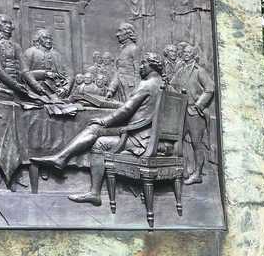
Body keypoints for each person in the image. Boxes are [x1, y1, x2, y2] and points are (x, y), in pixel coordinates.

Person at [30, 53, 168, 205]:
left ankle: (89, 187)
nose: (141, 67)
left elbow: (126, 110)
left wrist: (105, 121)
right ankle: (62, 159)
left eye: (144, 64)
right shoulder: (165, 85)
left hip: (140, 138)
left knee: (98, 134)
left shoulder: (146, 84)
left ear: (153, 65)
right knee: (96, 129)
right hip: (149, 135)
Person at [172, 42, 215, 184]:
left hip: (195, 112)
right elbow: (172, 85)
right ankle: (183, 169)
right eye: (184, 52)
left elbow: (210, 88)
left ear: (194, 55)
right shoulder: (180, 70)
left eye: (188, 52)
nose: (185, 53)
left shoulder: (199, 71)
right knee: (179, 142)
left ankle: (197, 174)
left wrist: (199, 105)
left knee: (197, 144)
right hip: (181, 111)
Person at [21, 28, 68, 100]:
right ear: (38, 39)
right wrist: (44, 74)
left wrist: (65, 88)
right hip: (36, 89)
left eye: (50, 38)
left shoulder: (57, 55)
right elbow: (24, 74)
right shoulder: (30, 52)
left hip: (57, 89)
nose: (48, 41)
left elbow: (67, 75)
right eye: (45, 38)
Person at [113, 22, 141, 101]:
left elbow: (138, 72)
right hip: (120, 87)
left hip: (131, 88)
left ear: (128, 34)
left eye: (120, 31)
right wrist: (111, 90)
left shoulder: (134, 49)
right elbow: (118, 71)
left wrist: (137, 89)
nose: (117, 34)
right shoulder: (121, 50)